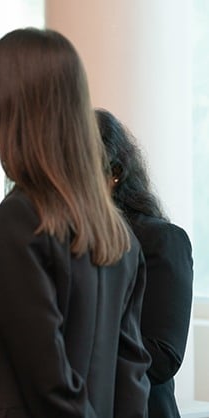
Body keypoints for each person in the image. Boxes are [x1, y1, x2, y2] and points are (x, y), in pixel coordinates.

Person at [0, 28, 151, 417]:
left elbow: (46, 376)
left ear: (18, 101)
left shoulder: (18, 219)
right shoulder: (119, 235)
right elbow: (131, 379)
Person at [96, 108, 194, 418]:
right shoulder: (62, 241)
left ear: (114, 174)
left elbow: (163, 356)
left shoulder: (161, 239)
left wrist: (77, 345)